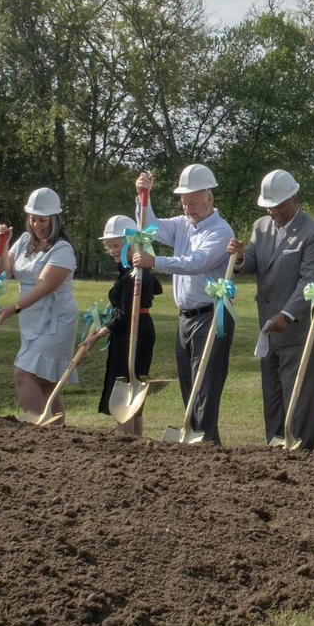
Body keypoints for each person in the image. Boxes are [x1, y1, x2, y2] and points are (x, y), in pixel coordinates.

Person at [132, 164, 236, 443]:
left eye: (192, 202)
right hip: (186, 318)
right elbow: (149, 228)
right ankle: (195, 442)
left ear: (209, 199)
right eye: (184, 202)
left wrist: (156, 262)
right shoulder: (181, 224)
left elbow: (197, 262)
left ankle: (208, 446)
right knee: (189, 387)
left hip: (212, 316)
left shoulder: (221, 231)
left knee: (206, 389)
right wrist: (144, 196)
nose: (188, 208)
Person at [230, 169, 314, 447]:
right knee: (273, 400)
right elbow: (254, 261)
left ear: (293, 197)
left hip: (300, 331)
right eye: (268, 206)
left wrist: (287, 314)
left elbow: (311, 279)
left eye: (278, 206)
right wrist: (240, 257)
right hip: (269, 328)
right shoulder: (261, 226)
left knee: (300, 404)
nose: (273, 211)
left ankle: (303, 459)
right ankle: (273, 456)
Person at [0, 187, 81, 418]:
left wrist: (14, 307)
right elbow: (5, 272)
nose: (37, 225)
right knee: (44, 381)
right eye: (33, 219)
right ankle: (59, 436)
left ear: (54, 219)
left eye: (43, 220)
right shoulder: (24, 241)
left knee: (23, 375)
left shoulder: (63, 249)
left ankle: (38, 429)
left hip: (56, 320)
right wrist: (2, 244)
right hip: (32, 319)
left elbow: (44, 286)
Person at [98, 213, 162, 429]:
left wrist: (97, 335)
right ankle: (133, 439)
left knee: (127, 386)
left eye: (116, 245)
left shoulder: (136, 272)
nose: (112, 250)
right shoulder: (129, 271)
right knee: (132, 387)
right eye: (109, 246)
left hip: (134, 330)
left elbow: (124, 315)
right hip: (136, 328)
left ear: (131, 243)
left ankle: (126, 441)